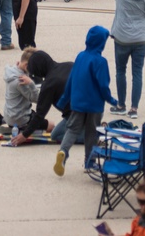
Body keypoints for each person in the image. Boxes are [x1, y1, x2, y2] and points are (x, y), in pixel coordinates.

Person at [54, 25, 119, 177]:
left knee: (72, 129)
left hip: (77, 102)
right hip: (94, 105)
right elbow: (103, 85)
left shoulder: (80, 56)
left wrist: (64, 99)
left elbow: (71, 79)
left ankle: (63, 151)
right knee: (91, 133)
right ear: (101, 43)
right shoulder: (100, 62)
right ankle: (89, 161)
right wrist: (111, 100)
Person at [11, 50, 72, 146]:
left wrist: (24, 135)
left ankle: (89, 135)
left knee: (56, 135)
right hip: (95, 107)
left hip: (77, 116)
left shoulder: (49, 85)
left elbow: (40, 114)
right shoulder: (68, 65)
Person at [0, 47, 40, 136]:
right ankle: (13, 130)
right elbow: (36, 99)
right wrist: (31, 84)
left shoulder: (13, 71)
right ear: (26, 65)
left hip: (9, 113)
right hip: (20, 118)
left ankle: (1, 120)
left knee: (30, 112)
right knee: (49, 125)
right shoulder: (21, 80)